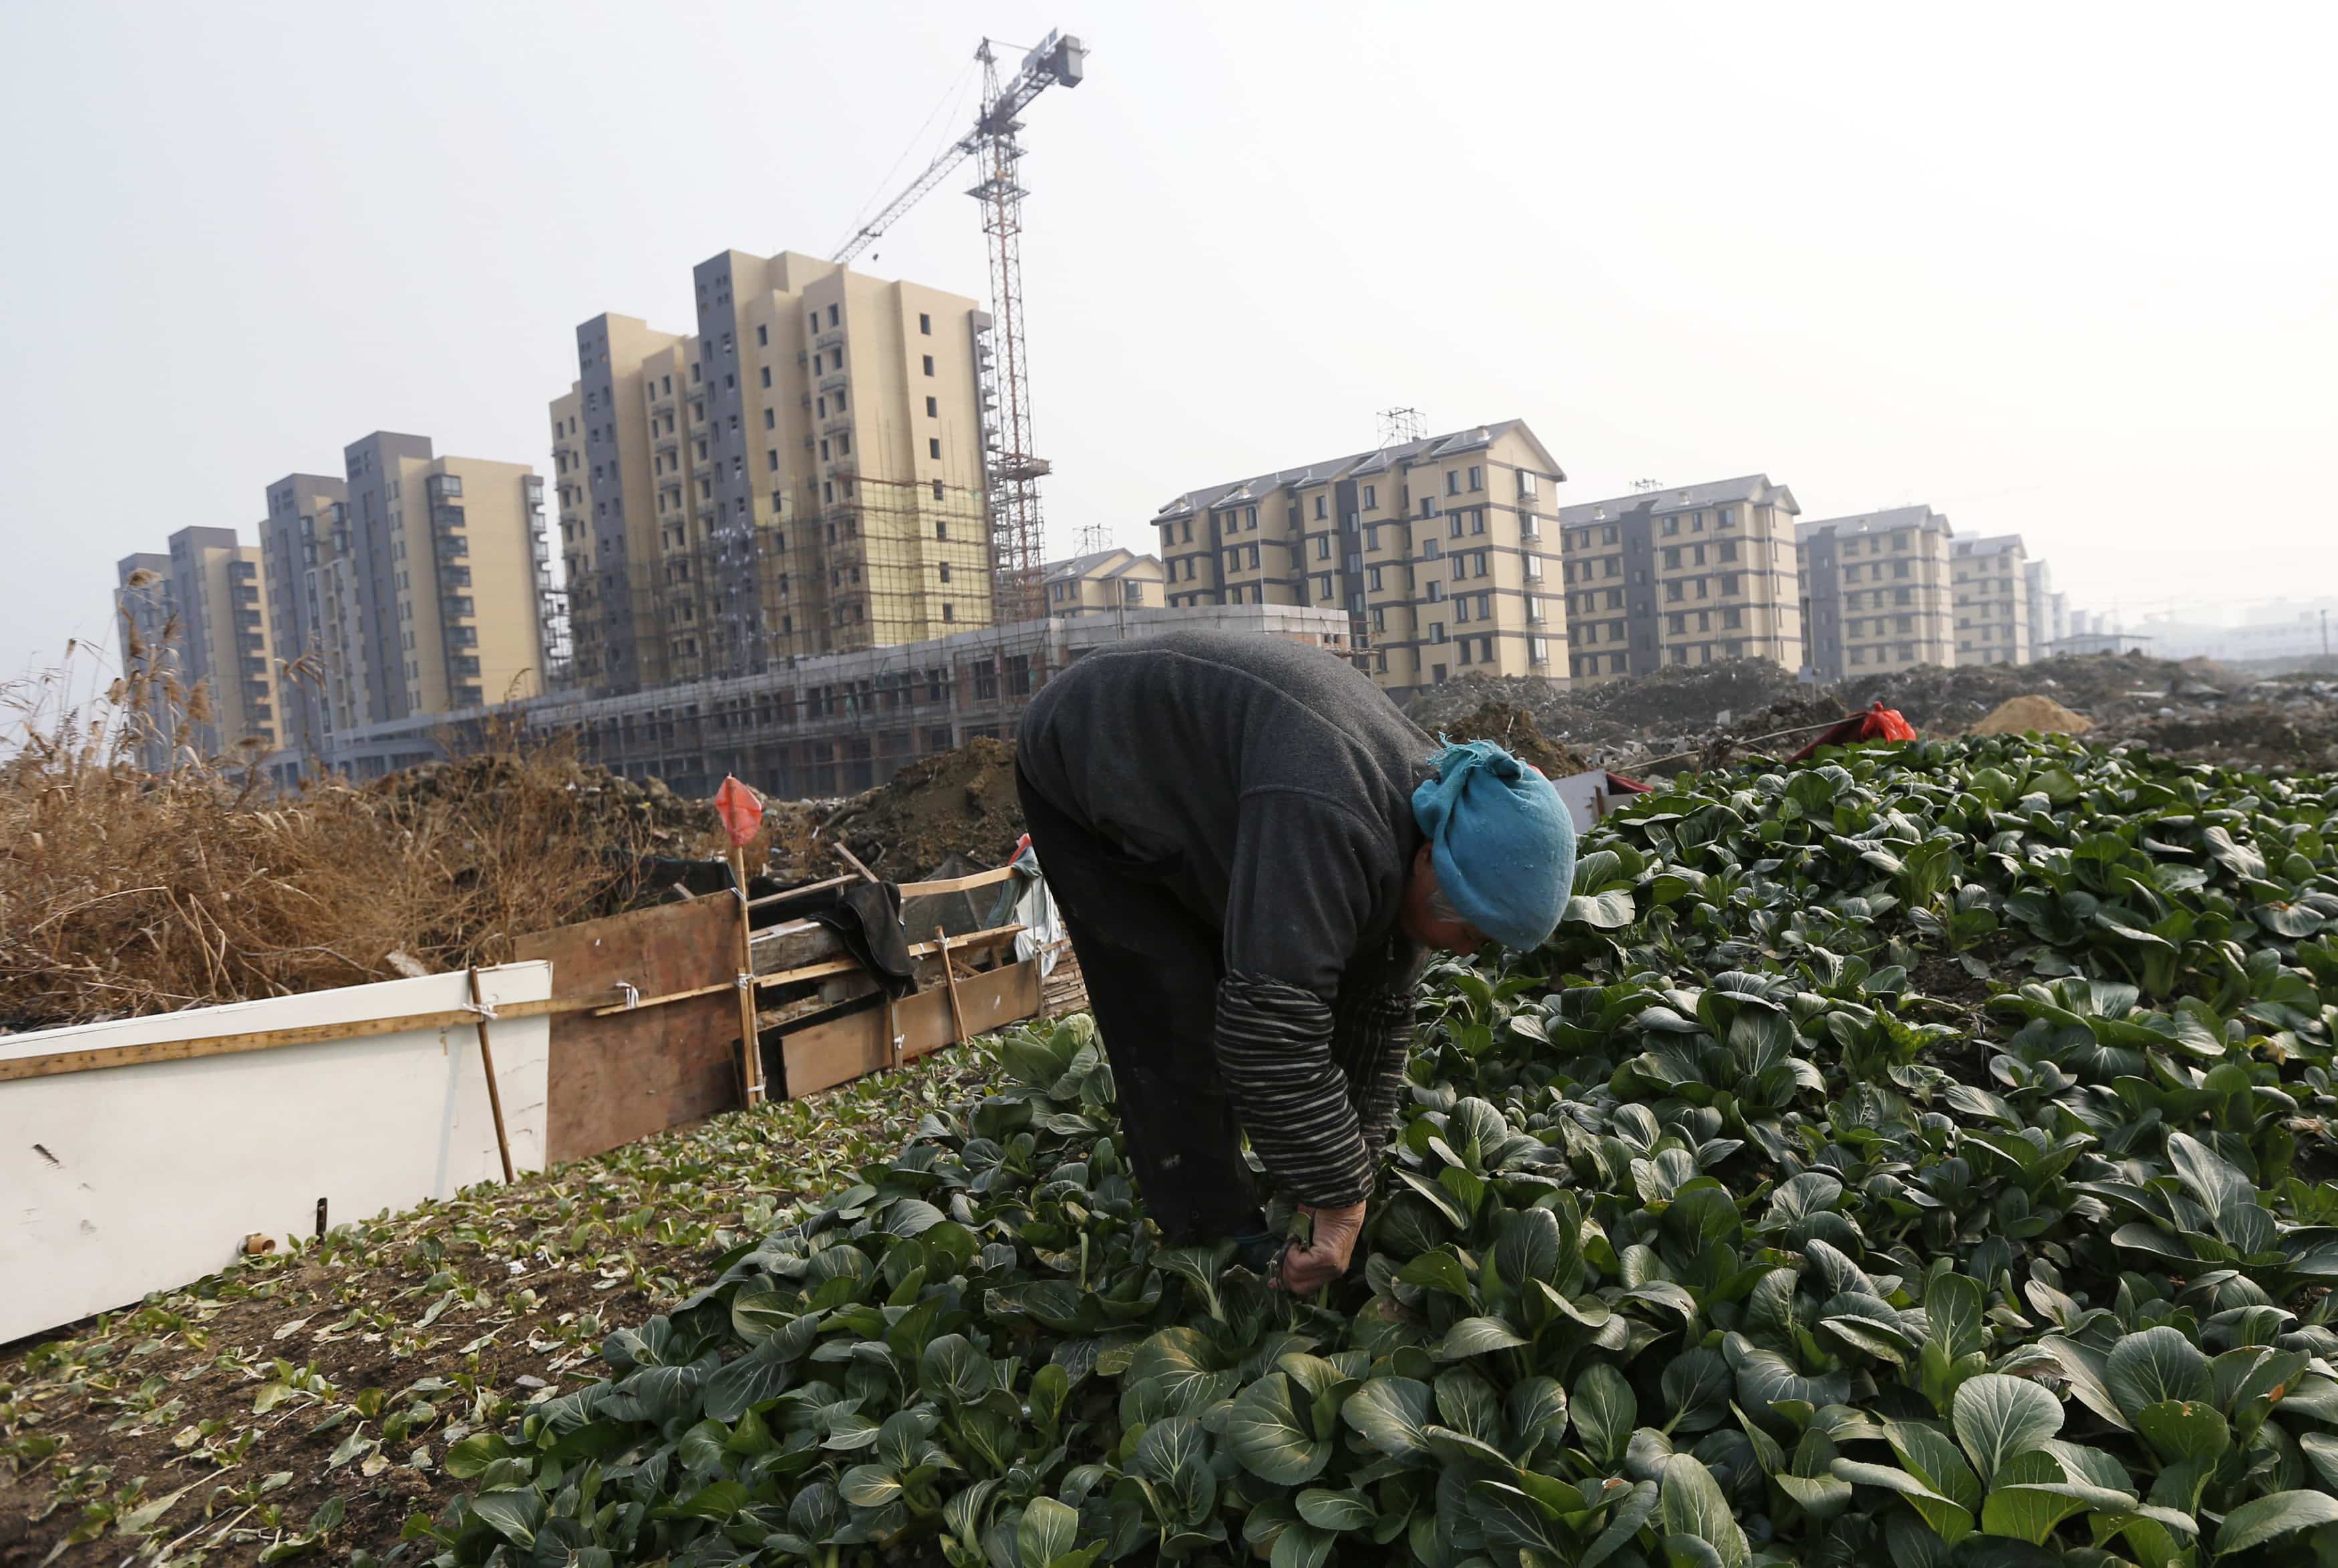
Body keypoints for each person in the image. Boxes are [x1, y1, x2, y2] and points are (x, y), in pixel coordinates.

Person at [1014, 630, 1575, 1292]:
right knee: (1174, 1005)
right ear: (1429, 857)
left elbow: (1377, 1015)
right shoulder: (1337, 815)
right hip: (1090, 754)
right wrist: (1337, 1194)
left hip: (1236, 772)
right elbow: (1267, 1033)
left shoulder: (1429, 817)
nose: (1464, 949)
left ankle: (1285, 1180)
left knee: (1292, 964)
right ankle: (1213, 1235)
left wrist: (1345, 1175)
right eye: (1472, 930)